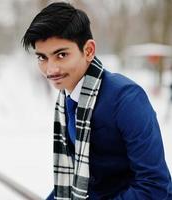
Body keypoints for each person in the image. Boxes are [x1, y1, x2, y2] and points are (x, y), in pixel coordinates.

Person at [22, 2, 172, 199]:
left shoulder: (127, 99)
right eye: (42, 58)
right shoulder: (67, 98)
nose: (51, 69)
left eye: (61, 55)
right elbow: (78, 178)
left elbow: (155, 186)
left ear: (89, 51)